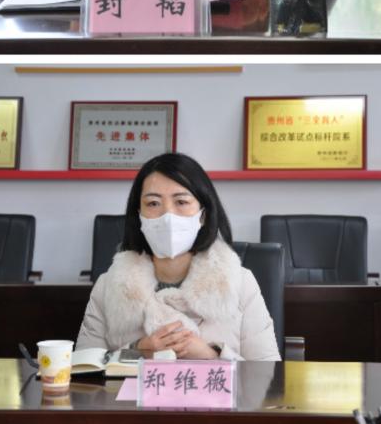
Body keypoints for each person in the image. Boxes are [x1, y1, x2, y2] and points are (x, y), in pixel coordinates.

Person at [76, 152, 281, 361]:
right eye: (153, 203)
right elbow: (83, 368)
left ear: (203, 214)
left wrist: (210, 356)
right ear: (139, 215)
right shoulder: (108, 286)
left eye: (181, 202)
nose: (168, 216)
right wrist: (136, 352)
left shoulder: (241, 283)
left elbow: (268, 372)